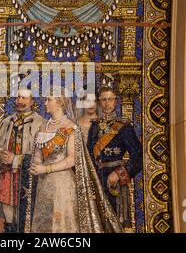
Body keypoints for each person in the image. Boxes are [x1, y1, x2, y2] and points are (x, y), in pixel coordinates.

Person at [25, 93, 122, 233]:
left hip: (63, 185)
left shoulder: (71, 127)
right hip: (44, 185)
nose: (45, 103)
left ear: (59, 103)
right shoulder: (42, 128)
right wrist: (36, 165)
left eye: (48, 100)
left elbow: (72, 159)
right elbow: (38, 155)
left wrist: (45, 169)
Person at [0, 89, 44, 233]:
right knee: (8, 216)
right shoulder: (7, 122)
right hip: (7, 177)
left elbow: (43, 156)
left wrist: (16, 159)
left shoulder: (40, 123)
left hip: (29, 179)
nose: (20, 101)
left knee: (27, 216)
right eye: (18, 98)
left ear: (32, 101)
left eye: (24, 98)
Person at [87, 87, 142, 227]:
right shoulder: (94, 126)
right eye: (103, 100)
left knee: (115, 223)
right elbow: (89, 155)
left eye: (110, 99)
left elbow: (138, 157)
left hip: (114, 181)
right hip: (96, 179)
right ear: (99, 102)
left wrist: (119, 174)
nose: (107, 103)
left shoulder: (124, 127)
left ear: (116, 102)